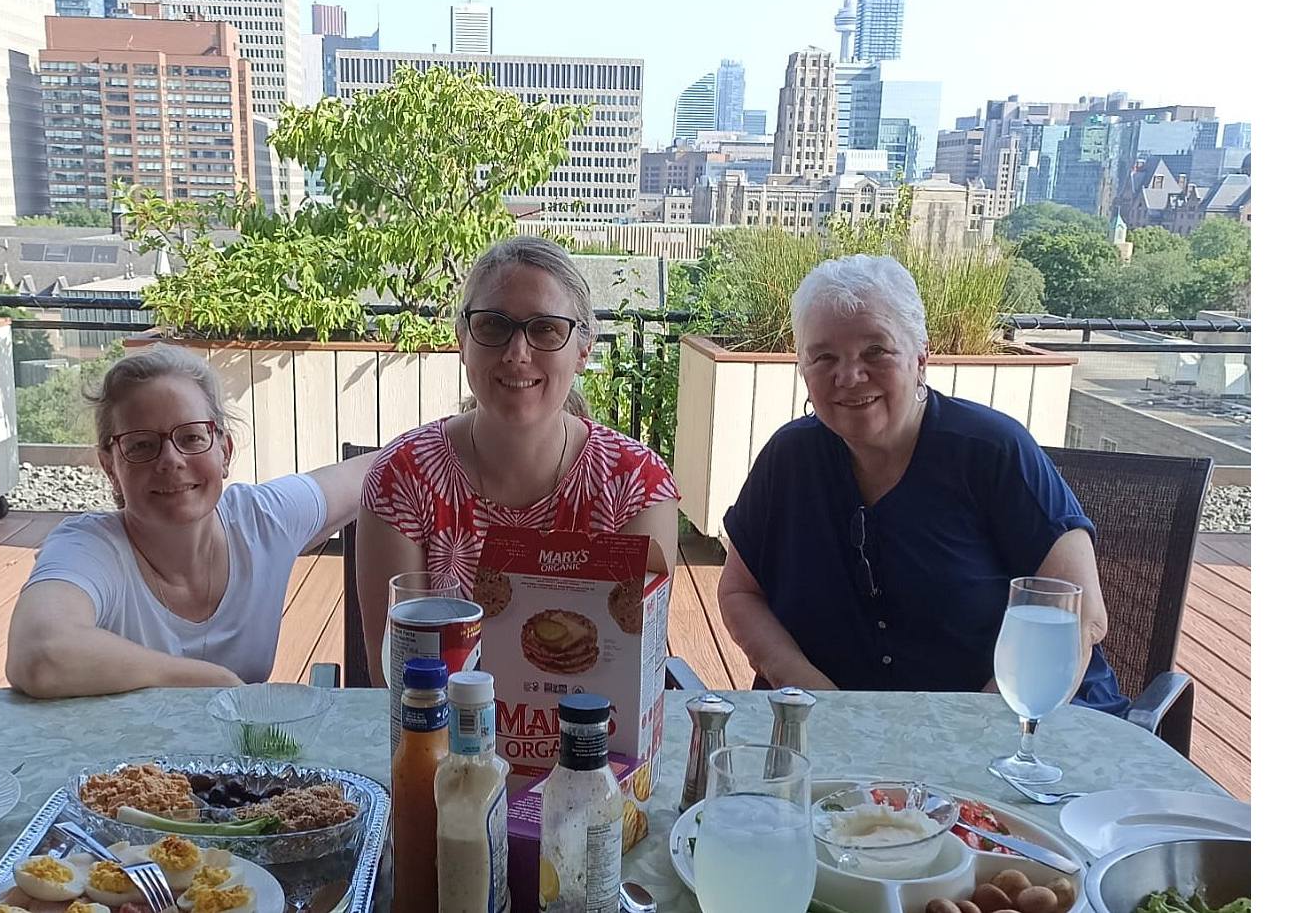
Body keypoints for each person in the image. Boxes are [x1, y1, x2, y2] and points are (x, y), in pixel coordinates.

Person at [717, 254, 1129, 714]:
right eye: (824, 357)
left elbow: (1080, 615)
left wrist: (976, 728)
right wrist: (818, 699)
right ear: (803, 370)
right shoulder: (789, 459)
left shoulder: (993, 450)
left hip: (1023, 726)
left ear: (920, 358)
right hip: (844, 734)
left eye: (876, 351)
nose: (849, 376)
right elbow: (740, 593)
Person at [357, 236, 680, 684]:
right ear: (462, 340)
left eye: (545, 329)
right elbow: (396, 680)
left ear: (583, 349)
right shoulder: (402, 478)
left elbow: (632, 676)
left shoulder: (636, 485)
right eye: (493, 325)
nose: (517, 353)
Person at [6, 345, 376, 698]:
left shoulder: (261, 520)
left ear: (224, 451)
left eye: (191, 437)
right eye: (141, 445)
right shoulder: (89, 547)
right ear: (110, 468)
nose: (170, 460)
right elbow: (40, 652)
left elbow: (380, 467)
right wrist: (213, 682)